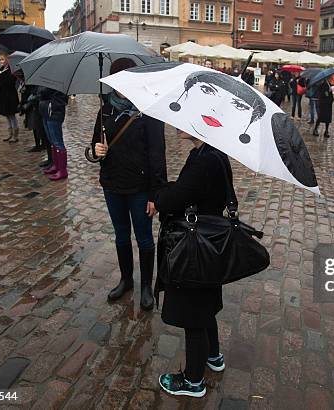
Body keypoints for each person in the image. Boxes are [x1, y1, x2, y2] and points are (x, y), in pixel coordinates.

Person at [155, 130, 231, 398]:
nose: (177, 124)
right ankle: (213, 356)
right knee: (206, 306)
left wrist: (158, 198)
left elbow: (178, 197)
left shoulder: (204, 160)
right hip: (209, 245)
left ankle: (193, 381)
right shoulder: (213, 153)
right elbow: (190, 189)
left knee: (194, 316)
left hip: (196, 249)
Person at [92, 58, 167, 311]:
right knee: (121, 235)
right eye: (118, 78)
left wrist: (156, 195)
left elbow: (158, 155)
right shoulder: (105, 110)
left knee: (144, 238)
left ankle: (146, 286)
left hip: (140, 187)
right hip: (112, 185)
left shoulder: (149, 111)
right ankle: (126, 280)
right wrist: (95, 150)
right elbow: (92, 149)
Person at [39, 87, 69, 180]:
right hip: (46, 112)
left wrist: (41, 90)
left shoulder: (57, 83)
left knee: (57, 142)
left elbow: (43, 91)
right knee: (52, 141)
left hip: (54, 113)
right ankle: (56, 165)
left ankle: (62, 170)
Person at [0, 54, 20, 142]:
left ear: (7, 60)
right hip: (3, 96)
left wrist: (0, 73)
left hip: (10, 96)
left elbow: (9, 81)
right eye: (0, 59)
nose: (1, 61)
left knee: (12, 115)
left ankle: (15, 135)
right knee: (7, 115)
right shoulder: (2, 69)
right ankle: (10, 134)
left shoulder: (11, 69)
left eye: (2, 59)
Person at [18, 74, 47, 152]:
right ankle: (39, 144)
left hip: (35, 106)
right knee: (35, 126)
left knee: (37, 126)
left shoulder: (35, 81)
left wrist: (28, 103)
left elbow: (36, 94)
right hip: (31, 106)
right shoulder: (26, 80)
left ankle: (42, 145)